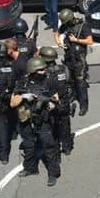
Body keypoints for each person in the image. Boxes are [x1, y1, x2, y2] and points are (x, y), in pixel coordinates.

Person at [10, 58, 61, 187]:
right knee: (28, 145)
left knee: (49, 146)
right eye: (40, 69)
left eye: (44, 69)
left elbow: (56, 97)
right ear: (32, 70)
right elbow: (12, 102)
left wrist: (51, 104)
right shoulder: (23, 82)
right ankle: (30, 168)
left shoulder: (49, 80)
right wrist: (23, 96)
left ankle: (53, 174)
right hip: (26, 118)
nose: (44, 71)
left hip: (43, 119)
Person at [55, 9, 93, 116]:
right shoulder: (65, 26)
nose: (65, 24)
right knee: (69, 80)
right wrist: (59, 43)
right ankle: (73, 96)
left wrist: (76, 40)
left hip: (79, 60)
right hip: (68, 59)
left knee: (81, 82)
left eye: (66, 22)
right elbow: (56, 34)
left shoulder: (83, 27)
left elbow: (90, 41)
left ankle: (84, 105)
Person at [40, 46, 75, 156]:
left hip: (51, 103)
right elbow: (69, 82)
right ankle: (67, 147)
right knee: (65, 125)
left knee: (52, 128)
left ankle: (55, 151)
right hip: (65, 102)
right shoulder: (63, 68)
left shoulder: (44, 73)